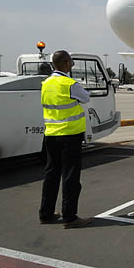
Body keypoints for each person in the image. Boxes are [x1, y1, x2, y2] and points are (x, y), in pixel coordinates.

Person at [39, 50, 93, 229]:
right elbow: (86, 98)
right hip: (69, 136)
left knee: (51, 175)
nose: (73, 65)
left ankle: (45, 214)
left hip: (51, 135)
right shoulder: (69, 83)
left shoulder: (46, 83)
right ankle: (69, 217)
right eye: (71, 62)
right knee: (70, 176)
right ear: (66, 63)